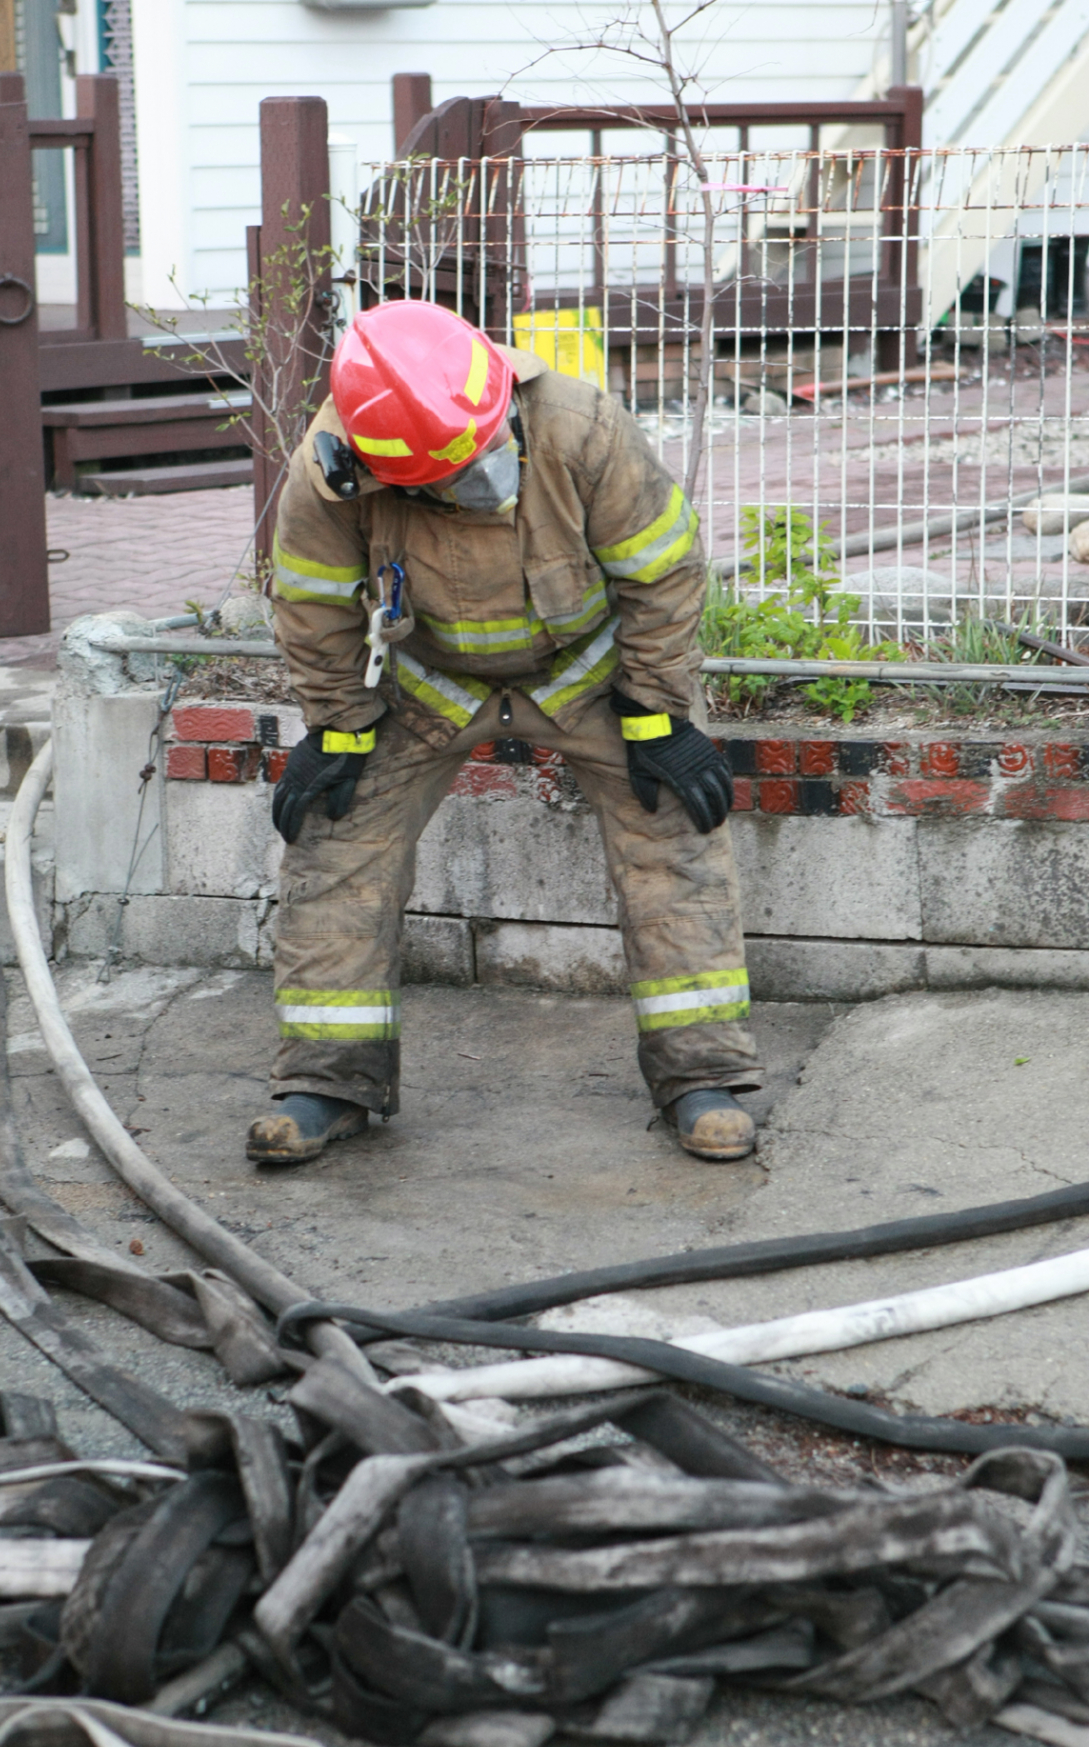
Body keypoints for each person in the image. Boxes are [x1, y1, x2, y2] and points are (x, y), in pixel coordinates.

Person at [246, 298, 762, 1168]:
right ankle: (327, 1083)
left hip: (593, 677)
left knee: (673, 835)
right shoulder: (333, 468)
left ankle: (702, 1077)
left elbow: (663, 576)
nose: (476, 483)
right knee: (335, 842)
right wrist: (338, 728)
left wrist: (654, 713)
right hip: (426, 686)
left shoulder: (580, 426)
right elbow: (313, 601)